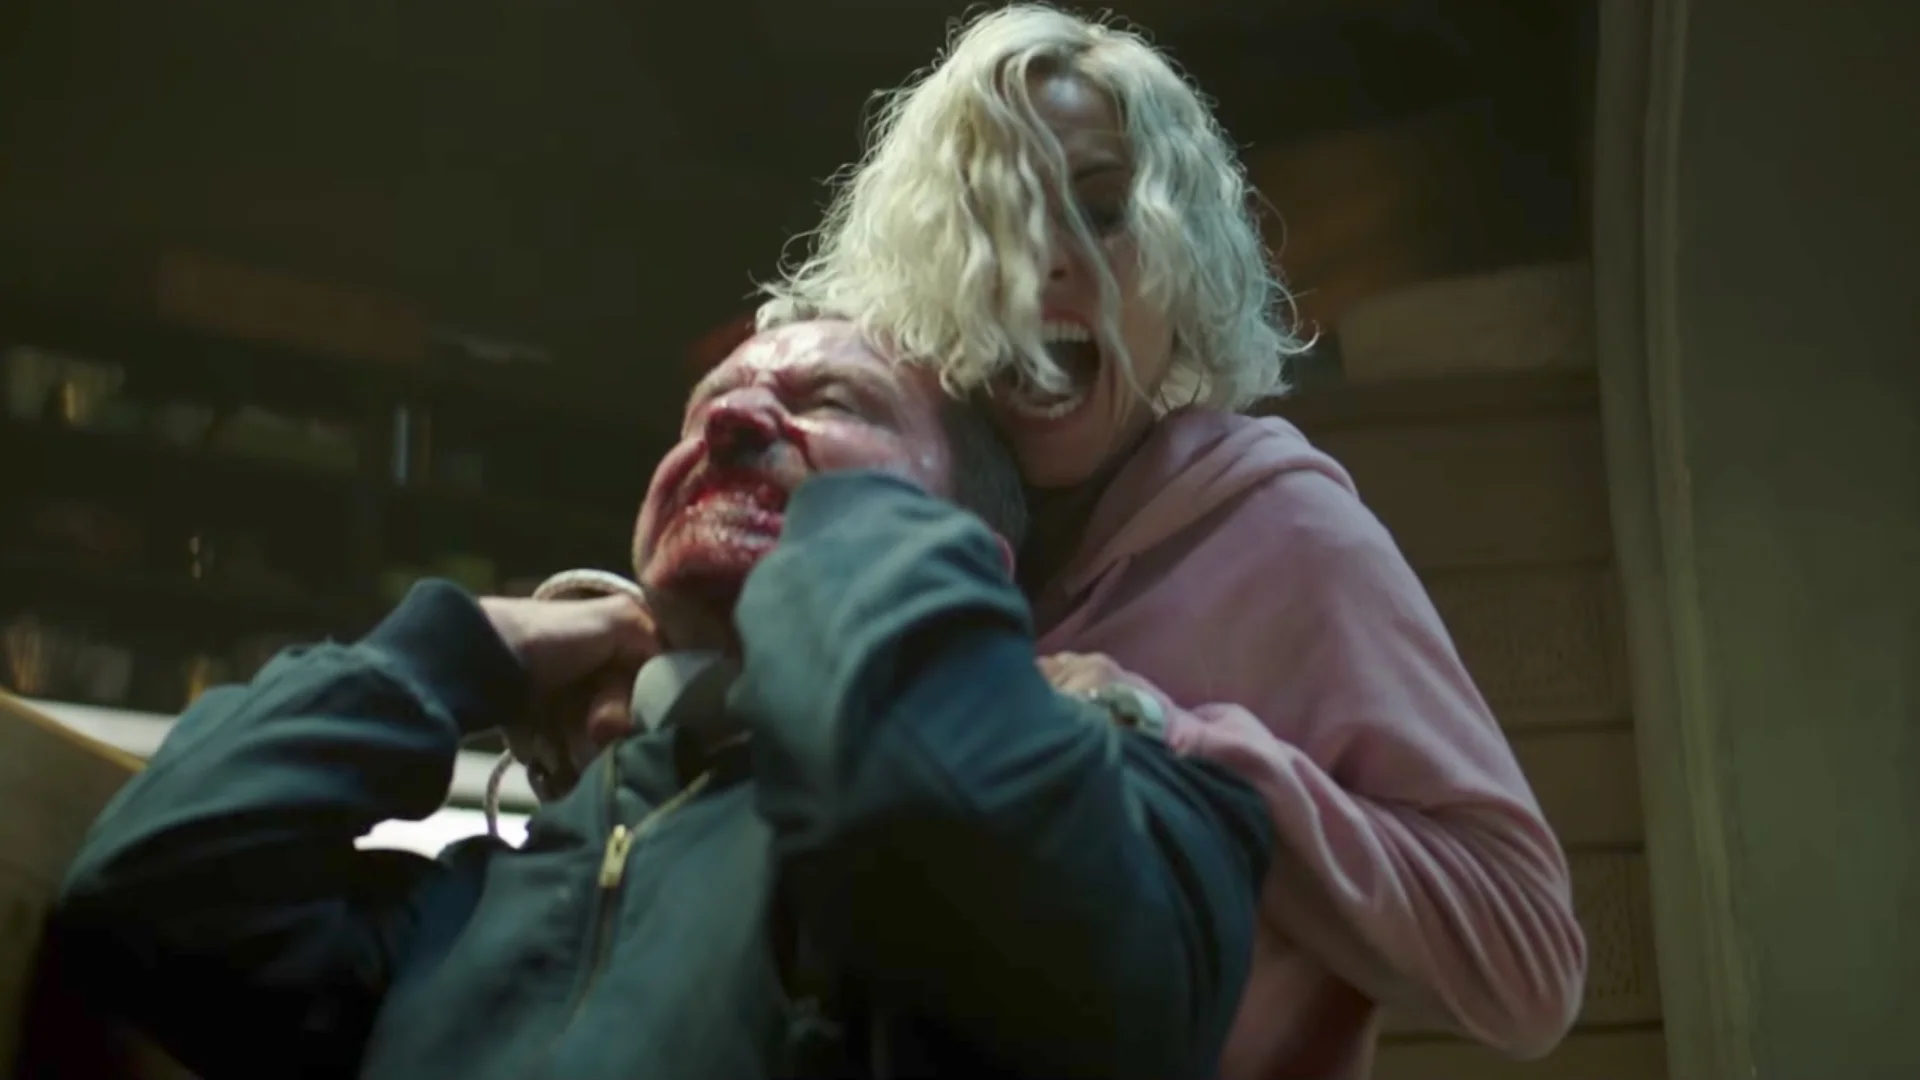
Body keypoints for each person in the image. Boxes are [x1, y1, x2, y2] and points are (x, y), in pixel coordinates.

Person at [51, 320, 1274, 1080]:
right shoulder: (480, 899)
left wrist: (852, 545)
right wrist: (468, 643)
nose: (729, 420)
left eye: (834, 402)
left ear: (971, 558)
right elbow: (151, 887)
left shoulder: (1144, 797)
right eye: (702, 415)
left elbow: (931, 808)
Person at [755, 5, 1587, 1077]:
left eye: (1103, 209)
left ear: (1181, 263)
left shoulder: (1287, 532)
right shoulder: (891, 523)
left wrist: (1170, 739)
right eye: (992, 216)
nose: (1044, 257)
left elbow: (1529, 966)